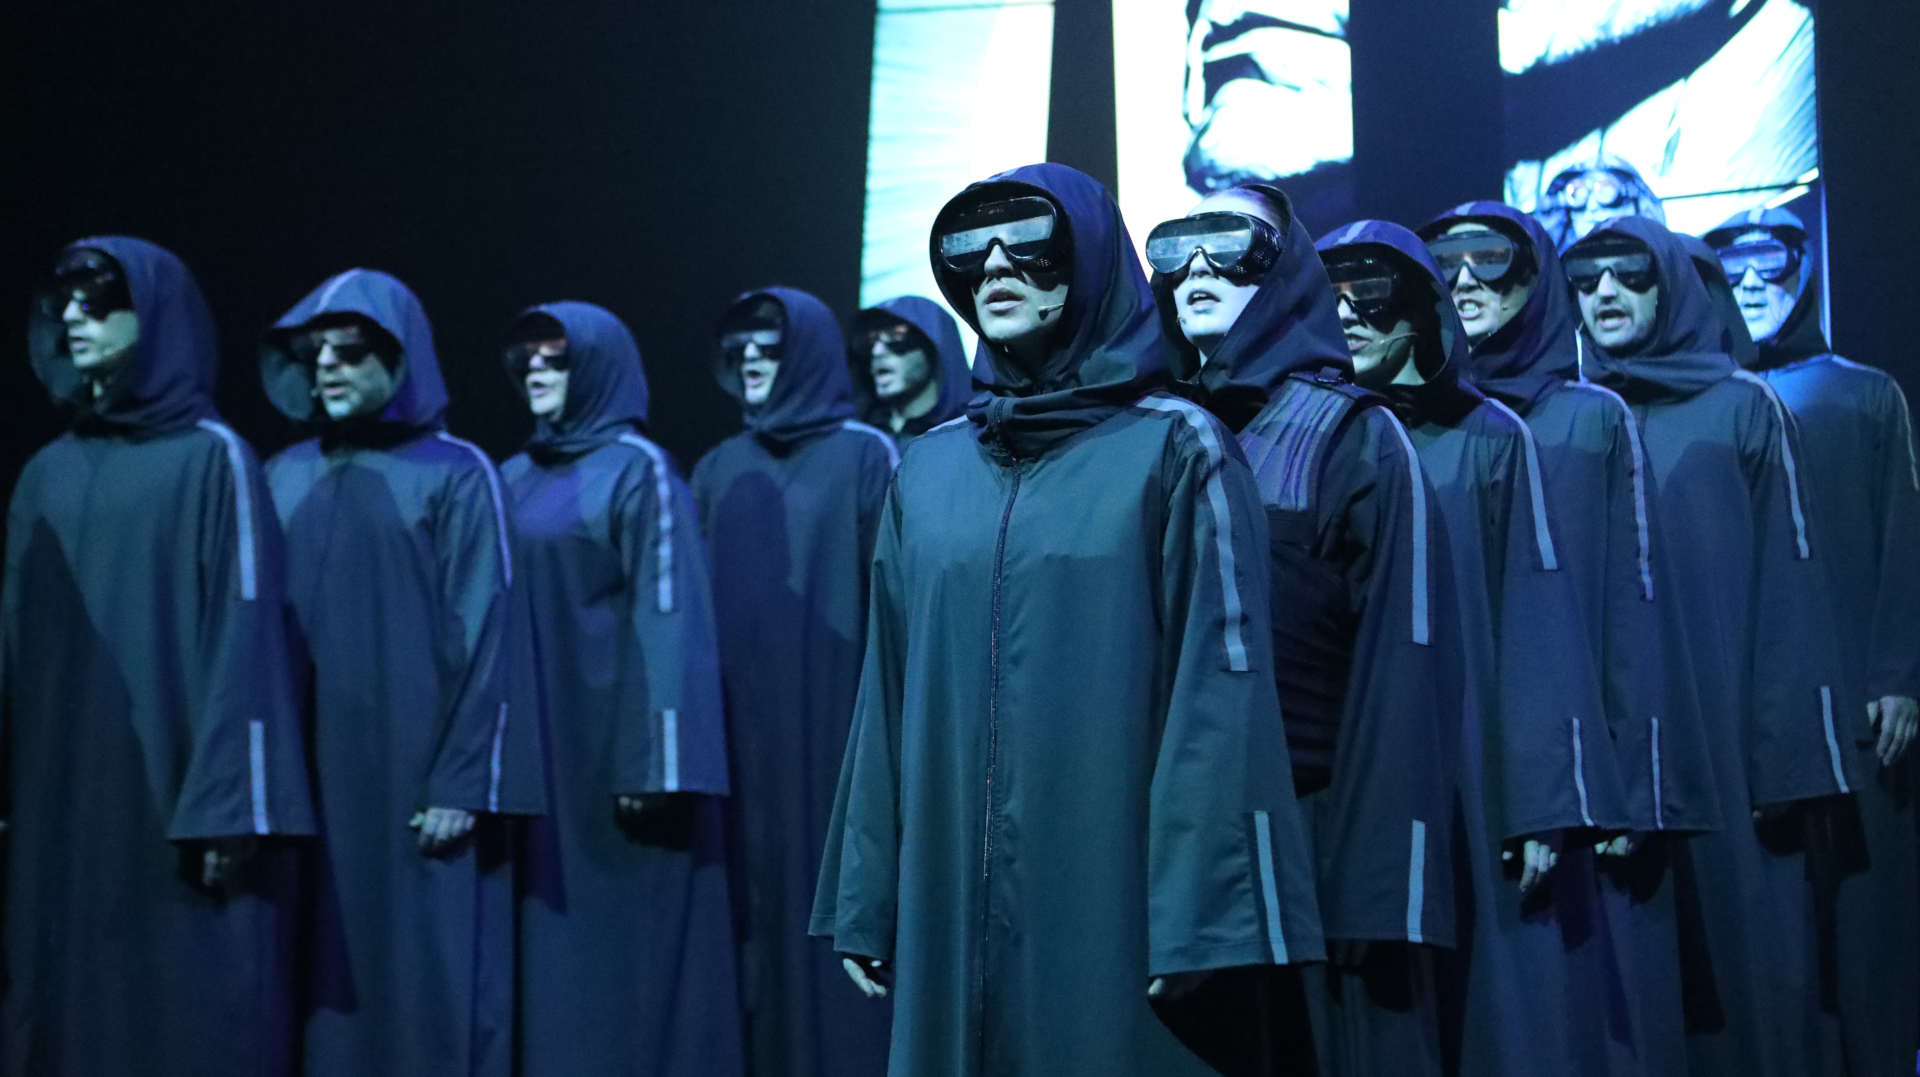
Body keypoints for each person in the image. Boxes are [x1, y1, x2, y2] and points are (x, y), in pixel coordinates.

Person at [811, 162, 1321, 1076]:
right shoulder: (929, 469)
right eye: (969, 249)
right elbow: (886, 690)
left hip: (1113, 893)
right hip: (949, 892)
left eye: (1029, 243)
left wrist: (1205, 914)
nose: (994, 266)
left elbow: (1220, 693)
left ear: (1088, 262)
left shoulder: (1176, 446)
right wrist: (867, 889)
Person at [1144, 185, 1452, 1076]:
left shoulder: (1354, 435)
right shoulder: (1143, 436)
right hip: (1175, 839)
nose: (1198, 268)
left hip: (1310, 838)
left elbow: (1402, 665)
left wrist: (1380, 886)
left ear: (1286, 272)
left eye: (1232, 245)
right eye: (1176, 248)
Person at [1419, 202, 1722, 1076]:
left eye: (1491, 261)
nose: (1465, 282)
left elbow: (1634, 603)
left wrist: (1629, 784)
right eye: (1445, 264)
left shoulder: (1590, 420)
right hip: (1459, 749)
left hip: (1579, 777)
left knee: (1579, 1003)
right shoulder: (1418, 423)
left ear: (1535, 279)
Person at [3, 237, 315, 1076]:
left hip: (173, 794)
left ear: (156, 315)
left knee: (184, 999)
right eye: (63, 299)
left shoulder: (214, 459)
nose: (73, 316)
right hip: (62, 792)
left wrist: (229, 803)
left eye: (100, 298)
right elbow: (14, 643)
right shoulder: (47, 473)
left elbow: (246, 633)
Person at [1566, 217, 1857, 1077]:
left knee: (1749, 975)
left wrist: (1787, 765)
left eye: (1630, 273)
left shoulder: (1741, 407)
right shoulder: (1574, 418)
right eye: (1587, 278)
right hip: (1620, 752)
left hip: (1727, 737)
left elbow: (1790, 586)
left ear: (1672, 285)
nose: (1606, 292)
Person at [261, 268, 544, 1077]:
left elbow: (487, 630)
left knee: (423, 976)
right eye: (314, 353)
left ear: (399, 356)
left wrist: (461, 779)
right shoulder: (283, 473)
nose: (327, 366)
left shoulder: (457, 471)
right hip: (306, 777)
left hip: (412, 781)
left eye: (350, 350)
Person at [1701, 209, 1919, 1075]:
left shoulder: (1864, 395)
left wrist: (1900, 673)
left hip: (1859, 707)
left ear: (1806, 269)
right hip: (1754, 713)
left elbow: (1904, 534)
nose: (1754, 282)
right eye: (1733, 267)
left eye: (1773, 262)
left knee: (1866, 924)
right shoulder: (1709, 406)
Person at [500, 302, 743, 1076]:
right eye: (527, 358)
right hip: (536, 749)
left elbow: (669, 613)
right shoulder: (510, 475)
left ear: (598, 366)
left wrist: (658, 761)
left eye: (557, 356)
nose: (537, 369)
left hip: (607, 751)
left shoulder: (639, 470)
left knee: (620, 951)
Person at [693, 286, 898, 1077]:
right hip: (738, 734)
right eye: (739, 344)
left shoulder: (866, 455)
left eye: (769, 343)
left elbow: (895, 601)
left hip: (832, 723)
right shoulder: (718, 467)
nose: (750, 356)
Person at [846, 295, 971, 446]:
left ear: (933, 348)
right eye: (869, 342)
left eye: (895, 336)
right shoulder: (856, 439)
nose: (877, 352)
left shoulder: (976, 436)